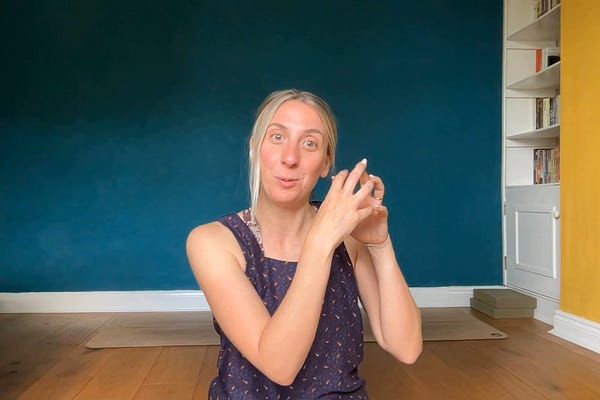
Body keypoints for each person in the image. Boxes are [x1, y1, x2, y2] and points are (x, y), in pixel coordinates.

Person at [186, 89, 422, 399]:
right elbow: (280, 366)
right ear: (255, 149)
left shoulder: (347, 233)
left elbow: (406, 348)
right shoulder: (213, 242)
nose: (290, 158)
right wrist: (320, 243)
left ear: (325, 163)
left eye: (309, 143)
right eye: (277, 137)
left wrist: (381, 245)